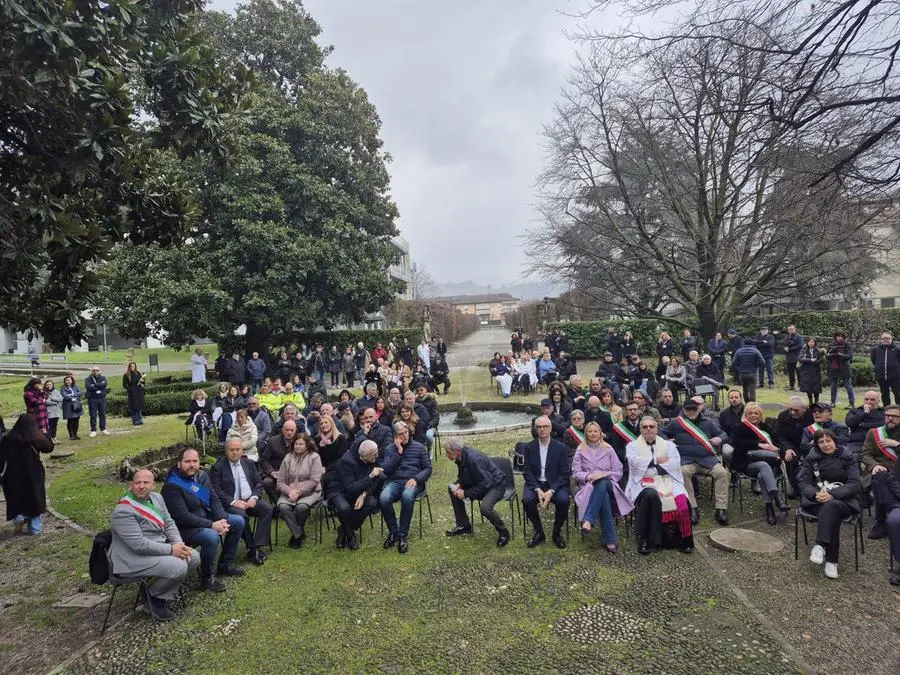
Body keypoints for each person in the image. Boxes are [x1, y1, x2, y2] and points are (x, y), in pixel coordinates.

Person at [109, 469, 200, 620]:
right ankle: (152, 597)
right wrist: (172, 550)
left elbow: (169, 523)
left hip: (156, 548)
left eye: (146, 483)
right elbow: (138, 545)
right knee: (179, 566)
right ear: (132, 485)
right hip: (132, 558)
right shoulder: (123, 511)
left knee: (193, 557)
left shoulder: (157, 498)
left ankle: (154, 591)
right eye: (137, 483)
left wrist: (178, 543)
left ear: (154, 485)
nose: (141, 486)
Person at [162, 448, 246, 592]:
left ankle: (225, 565)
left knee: (237, 521)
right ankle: (207, 578)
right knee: (211, 536)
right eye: (187, 461)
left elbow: (214, 499)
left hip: (206, 519)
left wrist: (223, 519)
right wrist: (212, 525)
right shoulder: (172, 485)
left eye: (195, 461)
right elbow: (182, 516)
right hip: (184, 528)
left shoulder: (202, 476)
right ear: (178, 464)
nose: (192, 465)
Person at [625, 416, 693, 554]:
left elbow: (675, 464)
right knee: (651, 496)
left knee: (682, 500)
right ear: (641, 429)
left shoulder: (669, 445)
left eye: (652, 426)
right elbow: (635, 464)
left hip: (669, 479)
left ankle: (683, 539)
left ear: (657, 428)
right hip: (643, 483)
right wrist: (659, 461)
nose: (648, 429)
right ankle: (644, 539)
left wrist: (650, 465)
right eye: (645, 427)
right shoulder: (632, 446)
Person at [798, 428, 861, 579]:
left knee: (831, 507)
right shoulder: (811, 459)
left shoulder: (848, 457)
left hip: (844, 501)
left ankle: (820, 545)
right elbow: (804, 482)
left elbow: (855, 484)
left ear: (835, 441)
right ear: (816, 444)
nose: (825, 445)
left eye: (828, 441)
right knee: (831, 513)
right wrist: (815, 494)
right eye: (821, 442)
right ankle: (832, 562)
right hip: (817, 501)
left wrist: (832, 495)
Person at [660, 399, 730, 526]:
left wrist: (719, 438)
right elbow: (661, 433)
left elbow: (724, 434)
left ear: (699, 409)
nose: (691, 412)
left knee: (722, 473)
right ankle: (692, 508)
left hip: (707, 460)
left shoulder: (708, 423)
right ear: (684, 410)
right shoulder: (677, 423)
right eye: (688, 409)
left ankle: (721, 509)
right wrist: (667, 440)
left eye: (694, 409)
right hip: (687, 460)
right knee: (682, 472)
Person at [572, 422, 633, 553]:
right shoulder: (580, 449)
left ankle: (589, 519)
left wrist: (603, 475)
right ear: (586, 434)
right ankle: (610, 538)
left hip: (611, 485)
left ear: (600, 433)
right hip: (589, 486)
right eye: (590, 431)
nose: (593, 433)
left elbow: (618, 471)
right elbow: (576, 473)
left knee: (603, 482)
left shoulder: (608, 449)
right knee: (602, 493)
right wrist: (589, 476)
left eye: (596, 431)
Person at [444, 437, 510, 546]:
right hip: (481, 482)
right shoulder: (461, 456)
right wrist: (459, 484)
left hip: (496, 485)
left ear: (457, 451)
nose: (447, 455)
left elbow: (486, 483)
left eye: (448, 452)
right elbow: (466, 475)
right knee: (452, 490)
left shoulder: (474, 459)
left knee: (485, 508)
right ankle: (464, 526)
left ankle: (504, 532)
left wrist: (466, 493)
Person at [729, 403, 789, 525]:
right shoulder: (739, 428)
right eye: (750, 413)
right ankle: (777, 498)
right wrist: (758, 444)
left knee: (763, 474)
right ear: (745, 415)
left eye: (756, 413)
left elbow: (778, 443)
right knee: (763, 466)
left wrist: (779, 449)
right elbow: (737, 444)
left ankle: (770, 508)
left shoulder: (766, 428)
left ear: (760, 415)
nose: (753, 416)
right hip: (748, 464)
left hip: (771, 463)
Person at [380, 421, 432, 553]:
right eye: (400, 434)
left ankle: (403, 535)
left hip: (413, 481)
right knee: (384, 498)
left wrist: (416, 479)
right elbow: (386, 470)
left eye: (406, 432)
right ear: (395, 436)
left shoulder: (419, 447)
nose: (404, 436)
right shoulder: (389, 449)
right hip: (395, 481)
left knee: (407, 496)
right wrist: (398, 453)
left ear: (409, 432)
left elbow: (428, 468)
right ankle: (394, 532)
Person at [522, 415, 571, 549]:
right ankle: (539, 532)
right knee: (527, 500)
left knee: (563, 501)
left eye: (545, 426)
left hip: (555, 484)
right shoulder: (529, 447)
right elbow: (527, 472)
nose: (542, 429)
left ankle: (556, 533)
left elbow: (564, 474)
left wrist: (550, 491)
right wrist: (537, 489)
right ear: (535, 429)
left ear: (550, 428)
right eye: (539, 427)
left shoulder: (561, 448)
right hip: (536, 483)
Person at [0, 414, 53, 535]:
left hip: (12, 474)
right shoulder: (35, 438)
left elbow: (1, 458)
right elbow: (49, 448)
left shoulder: (8, 438)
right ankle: (35, 528)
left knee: (16, 497)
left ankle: (19, 516)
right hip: (33, 473)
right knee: (35, 498)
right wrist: (45, 434)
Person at [333, 439, 386, 550]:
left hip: (360, 490)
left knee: (371, 502)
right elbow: (350, 488)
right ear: (365, 456)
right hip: (340, 490)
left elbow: (378, 478)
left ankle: (344, 530)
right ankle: (350, 535)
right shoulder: (346, 462)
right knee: (344, 508)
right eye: (374, 455)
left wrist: (363, 495)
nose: (376, 457)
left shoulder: (372, 456)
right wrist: (370, 476)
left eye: (377, 453)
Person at [276, 433, 323, 548]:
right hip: (290, 492)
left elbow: (314, 480)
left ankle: (296, 535)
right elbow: (280, 481)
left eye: (301, 444)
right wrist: (289, 492)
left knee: (301, 507)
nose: (298, 446)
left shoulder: (314, 457)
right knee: (283, 506)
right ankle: (298, 534)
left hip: (310, 492)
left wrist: (299, 491)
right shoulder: (288, 457)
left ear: (307, 445)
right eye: (296, 444)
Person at [860, 404, 899, 540]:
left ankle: (882, 521)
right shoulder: (874, 432)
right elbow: (865, 454)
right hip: (879, 470)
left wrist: (896, 445)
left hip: (897, 471)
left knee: (880, 482)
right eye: (888, 416)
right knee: (878, 478)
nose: (890, 419)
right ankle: (886, 517)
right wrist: (874, 465)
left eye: (895, 416)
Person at [773, 395, 814, 497]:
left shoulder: (811, 415)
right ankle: (794, 486)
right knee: (791, 457)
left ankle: (811, 484)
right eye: (790, 409)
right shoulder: (783, 415)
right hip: (789, 444)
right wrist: (787, 448)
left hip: (808, 443)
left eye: (796, 410)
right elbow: (779, 435)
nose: (792, 412)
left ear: (804, 409)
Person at [260, 419, 296, 502]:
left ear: (295, 431)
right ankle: (279, 503)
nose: (289, 432)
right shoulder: (273, 441)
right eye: (287, 430)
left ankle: (291, 504)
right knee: (267, 482)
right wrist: (271, 472)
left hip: (294, 474)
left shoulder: (300, 442)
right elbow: (264, 460)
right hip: (276, 472)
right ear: (282, 430)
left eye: (291, 430)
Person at [845, 390, 885, 457]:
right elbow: (850, 423)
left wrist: (863, 425)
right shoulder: (854, 411)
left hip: (878, 443)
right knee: (848, 456)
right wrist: (865, 413)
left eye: (872, 400)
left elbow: (885, 424)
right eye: (866, 399)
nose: (869, 402)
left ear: (878, 401)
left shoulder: (884, 412)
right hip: (857, 443)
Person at [825, 331, 855, 408]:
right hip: (834, 368)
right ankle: (833, 402)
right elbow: (827, 356)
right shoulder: (831, 345)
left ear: (844, 337)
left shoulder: (847, 344)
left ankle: (851, 403)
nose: (840, 337)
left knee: (848, 386)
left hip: (844, 367)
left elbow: (850, 356)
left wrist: (840, 354)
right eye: (838, 336)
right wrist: (832, 354)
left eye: (841, 336)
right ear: (835, 337)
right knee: (833, 386)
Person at [870, 332, 900, 406]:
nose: (885, 340)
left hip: (895, 376)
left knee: (898, 393)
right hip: (881, 376)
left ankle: (898, 410)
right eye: (883, 338)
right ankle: (886, 409)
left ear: (891, 339)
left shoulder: (897, 349)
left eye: (887, 338)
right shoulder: (875, 349)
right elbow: (874, 360)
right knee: (884, 394)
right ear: (881, 339)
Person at [85, 365, 110, 437]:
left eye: (97, 370)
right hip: (92, 399)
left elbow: (104, 384)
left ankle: (103, 428)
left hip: (102, 398)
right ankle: (93, 430)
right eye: (94, 370)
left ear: (99, 371)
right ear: (91, 371)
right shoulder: (88, 379)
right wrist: (100, 386)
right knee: (93, 414)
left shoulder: (103, 378)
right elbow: (89, 387)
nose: (95, 371)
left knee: (102, 413)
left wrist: (95, 385)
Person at [797, 338, 824, 406]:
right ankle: (810, 401)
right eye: (809, 342)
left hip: (815, 370)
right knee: (808, 387)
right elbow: (800, 358)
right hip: (806, 370)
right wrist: (810, 360)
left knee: (816, 387)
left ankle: (816, 401)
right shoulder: (804, 350)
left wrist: (816, 361)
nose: (811, 343)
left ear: (815, 343)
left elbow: (821, 359)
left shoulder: (818, 350)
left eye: (812, 342)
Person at [60, 374, 84, 440]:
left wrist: (73, 394)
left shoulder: (75, 386)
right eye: (66, 380)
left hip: (76, 405)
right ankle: (71, 435)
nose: (67, 381)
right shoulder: (63, 388)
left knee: (77, 419)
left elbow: (80, 392)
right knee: (70, 420)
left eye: (68, 380)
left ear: (72, 381)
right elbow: (65, 396)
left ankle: (75, 433)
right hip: (68, 405)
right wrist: (74, 396)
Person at [122, 362, 145, 426]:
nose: (132, 367)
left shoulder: (138, 373)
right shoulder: (126, 375)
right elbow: (124, 385)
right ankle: (135, 420)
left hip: (139, 391)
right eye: (131, 366)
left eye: (133, 366)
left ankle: (140, 419)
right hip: (132, 392)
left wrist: (142, 380)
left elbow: (143, 382)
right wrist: (130, 389)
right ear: (129, 367)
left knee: (139, 405)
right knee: (134, 406)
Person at [783, 325, 804, 391]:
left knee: (799, 372)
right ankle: (791, 386)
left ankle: (801, 386)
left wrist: (790, 349)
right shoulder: (786, 337)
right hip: (789, 357)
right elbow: (783, 344)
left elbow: (800, 346)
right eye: (789, 329)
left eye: (792, 329)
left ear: (795, 329)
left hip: (797, 357)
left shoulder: (799, 337)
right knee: (790, 373)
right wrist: (785, 348)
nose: (790, 330)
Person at [43, 379, 63, 444]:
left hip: (57, 411)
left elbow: (61, 398)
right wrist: (56, 403)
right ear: (45, 385)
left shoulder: (56, 391)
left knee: (55, 425)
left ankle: (54, 437)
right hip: (49, 411)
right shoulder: (44, 392)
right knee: (50, 425)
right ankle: (50, 438)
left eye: (50, 384)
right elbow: (46, 402)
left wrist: (53, 398)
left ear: (52, 385)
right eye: (47, 385)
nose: (49, 386)